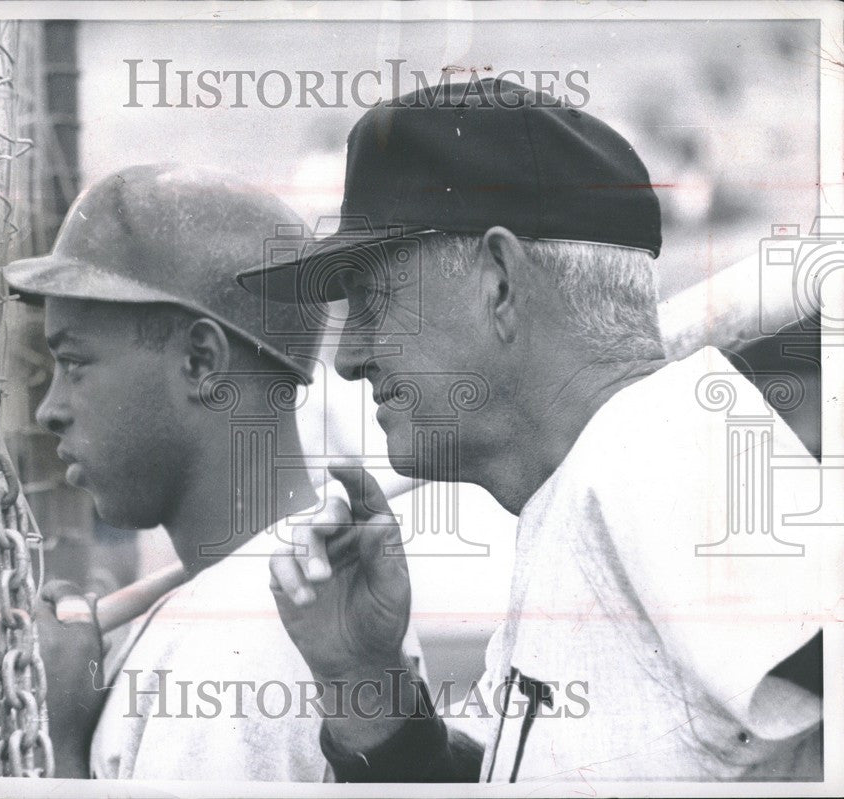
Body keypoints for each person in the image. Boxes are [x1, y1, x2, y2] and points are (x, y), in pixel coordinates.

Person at [242, 78, 831, 783]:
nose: (348, 356)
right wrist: (370, 687)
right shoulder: (587, 487)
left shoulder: (657, 452)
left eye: (372, 299)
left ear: (498, 282)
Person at [2, 164, 344, 780]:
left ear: (199, 360)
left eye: (74, 364)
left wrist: (62, 743)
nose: (51, 410)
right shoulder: (272, 593)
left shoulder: (237, 649)